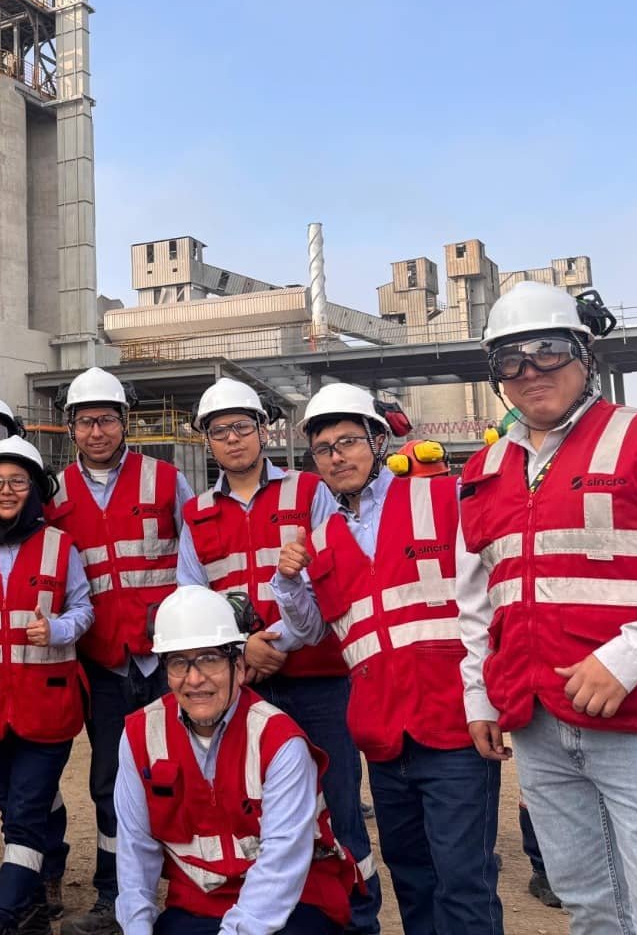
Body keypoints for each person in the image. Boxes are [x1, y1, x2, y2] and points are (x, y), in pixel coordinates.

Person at [455, 281, 637, 933]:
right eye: (510, 359)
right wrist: (479, 696)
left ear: (585, 354)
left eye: (548, 350)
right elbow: (479, 601)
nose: (531, 371)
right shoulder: (483, 471)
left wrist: (626, 658)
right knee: (589, 906)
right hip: (539, 722)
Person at [272, 383, 502, 935]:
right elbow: (311, 630)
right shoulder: (321, 539)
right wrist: (288, 583)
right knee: (412, 878)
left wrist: (491, 696)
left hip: (453, 727)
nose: (336, 457)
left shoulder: (441, 498)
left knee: (463, 882)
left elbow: (494, 587)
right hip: (383, 737)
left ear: (378, 441)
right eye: (323, 448)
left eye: (348, 441)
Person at [174, 378, 373, 934]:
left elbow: (334, 575)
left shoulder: (309, 492)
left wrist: (277, 642)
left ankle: (358, 921)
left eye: (242, 426)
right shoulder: (196, 514)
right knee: (256, 810)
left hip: (318, 681)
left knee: (337, 806)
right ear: (206, 441)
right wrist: (245, 651)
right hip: (245, 688)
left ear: (263, 430)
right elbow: (192, 600)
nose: (232, 439)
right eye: (220, 431)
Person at [44, 367, 194, 935]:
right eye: (86, 422)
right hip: (102, 663)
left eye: (106, 419)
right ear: (70, 428)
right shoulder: (55, 493)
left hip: (167, 661)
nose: (97, 432)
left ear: (125, 422)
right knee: (108, 781)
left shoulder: (166, 479)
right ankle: (114, 896)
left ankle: (190, 891)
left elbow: (196, 555)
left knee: (179, 773)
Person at [115, 585, 357, 935]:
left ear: (239, 667)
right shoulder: (140, 735)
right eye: (179, 662)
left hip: (292, 904)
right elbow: (135, 852)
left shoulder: (280, 741)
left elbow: (279, 868)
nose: (194, 679)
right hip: (198, 904)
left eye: (210, 659)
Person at [0, 435, 93, 935]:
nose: (6, 491)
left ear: (35, 490)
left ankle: (2, 915)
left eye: (18, 482)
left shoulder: (59, 546)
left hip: (46, 704)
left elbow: (84, 609)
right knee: (13, 809)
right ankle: (32, 915)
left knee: (25, 814)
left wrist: (58, 629)